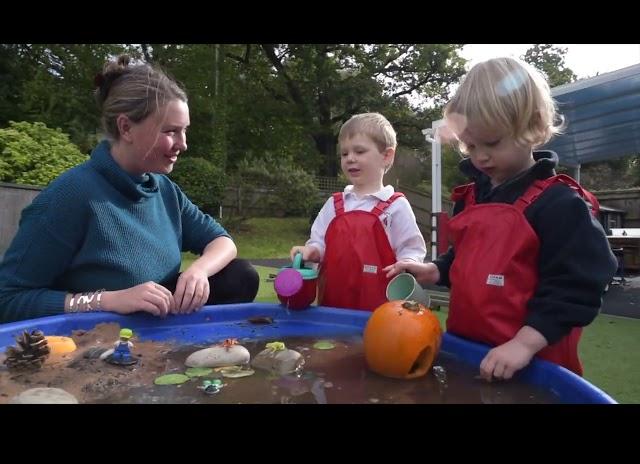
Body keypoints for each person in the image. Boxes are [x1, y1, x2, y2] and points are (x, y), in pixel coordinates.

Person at [384, 57, 617, 379]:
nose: (480, 156)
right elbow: (466, 260)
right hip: (468, 355)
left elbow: (580, 286)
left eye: (492, 143)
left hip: (533, 366)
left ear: (533, 126)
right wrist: (434, 270)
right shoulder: (472, 197)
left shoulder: (559, 205)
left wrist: (523, 344)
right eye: (470, 145)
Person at [0, 55, 259, 324]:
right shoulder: (70, 196)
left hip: (159, 334)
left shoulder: (164, 190)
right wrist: (109, 300)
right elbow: (7, 299)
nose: (183, 144)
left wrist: (199, 272)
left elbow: (222, 242)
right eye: (171, 131)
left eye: (185, 131)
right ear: (126, 127)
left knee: (239, 276)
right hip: (91, 343)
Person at [290, 112, 426, 311]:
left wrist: (407, 262)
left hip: (380, 315)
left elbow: (412, 249)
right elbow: (319, 241)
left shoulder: (396, 206)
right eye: (344, 154)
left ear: (386, 156)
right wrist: (312, 251)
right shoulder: (334, 204)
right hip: (331, 308)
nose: (350, 159)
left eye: (360, 151)